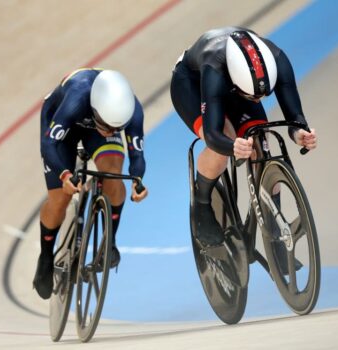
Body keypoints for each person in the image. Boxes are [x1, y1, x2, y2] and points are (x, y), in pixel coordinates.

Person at [170, 26, 317, 249]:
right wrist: (231, 146)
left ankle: (273, 230)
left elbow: (294, 114)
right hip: (192, 84)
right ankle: (201, 204)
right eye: (254, 96)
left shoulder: (276, 58)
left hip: (238, 83)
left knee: (261, 141)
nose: (258, 100)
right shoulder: (214, 67)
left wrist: (299, 132)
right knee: (224, 141)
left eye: (262, 95)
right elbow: (213, 135)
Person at [34, 68, 148, 299]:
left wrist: (138, 181)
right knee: (60, 199)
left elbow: (137, 156)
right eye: (108, 126)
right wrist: (65, 175)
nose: (112, 132)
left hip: (95, 128)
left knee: (113, 174)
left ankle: (110, 242)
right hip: (61, 125)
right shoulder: (77, 96)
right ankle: (46, 255)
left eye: (117, 128)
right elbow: (49, 145)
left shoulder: (132, 111)